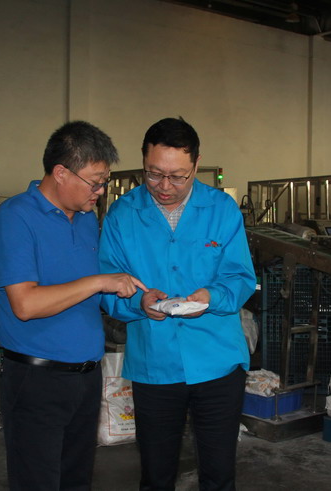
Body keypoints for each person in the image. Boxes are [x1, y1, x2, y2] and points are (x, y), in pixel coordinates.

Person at [0, 120, 147, 490]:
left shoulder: (87, 220)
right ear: (61, 173)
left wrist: (140, 298)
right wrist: (100, 281)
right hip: (37, 380)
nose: (100, 192)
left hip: (86, 377)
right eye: (95, 182)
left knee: (77, 481)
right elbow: (25, 304)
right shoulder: (16, 217)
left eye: (104, 181)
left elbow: (90, 294)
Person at [99, 117, 256, 490]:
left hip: (217, 361)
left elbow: (240, 277)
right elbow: (106, 285)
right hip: (154, 364)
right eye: (154, 174)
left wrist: (212, 296)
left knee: (219, 473)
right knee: (156, 474)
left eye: (177, 176)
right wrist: (139, 303)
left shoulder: (222, 209)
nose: (165, 186)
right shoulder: (122, 216)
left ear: (196, 165)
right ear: (143, 162)